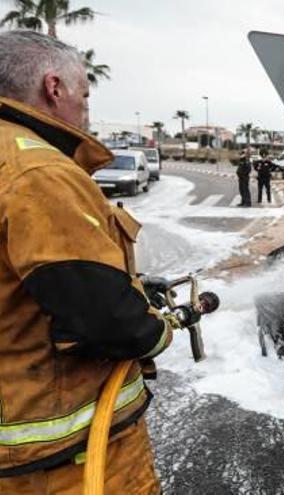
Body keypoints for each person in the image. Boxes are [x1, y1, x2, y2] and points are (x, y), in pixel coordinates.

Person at [0, 31, 178, 494]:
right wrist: (158, 329)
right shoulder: (40, 173)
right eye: (84, 93)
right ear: (54, 88)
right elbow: (104, 318)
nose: (85, 108)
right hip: (61, 459)